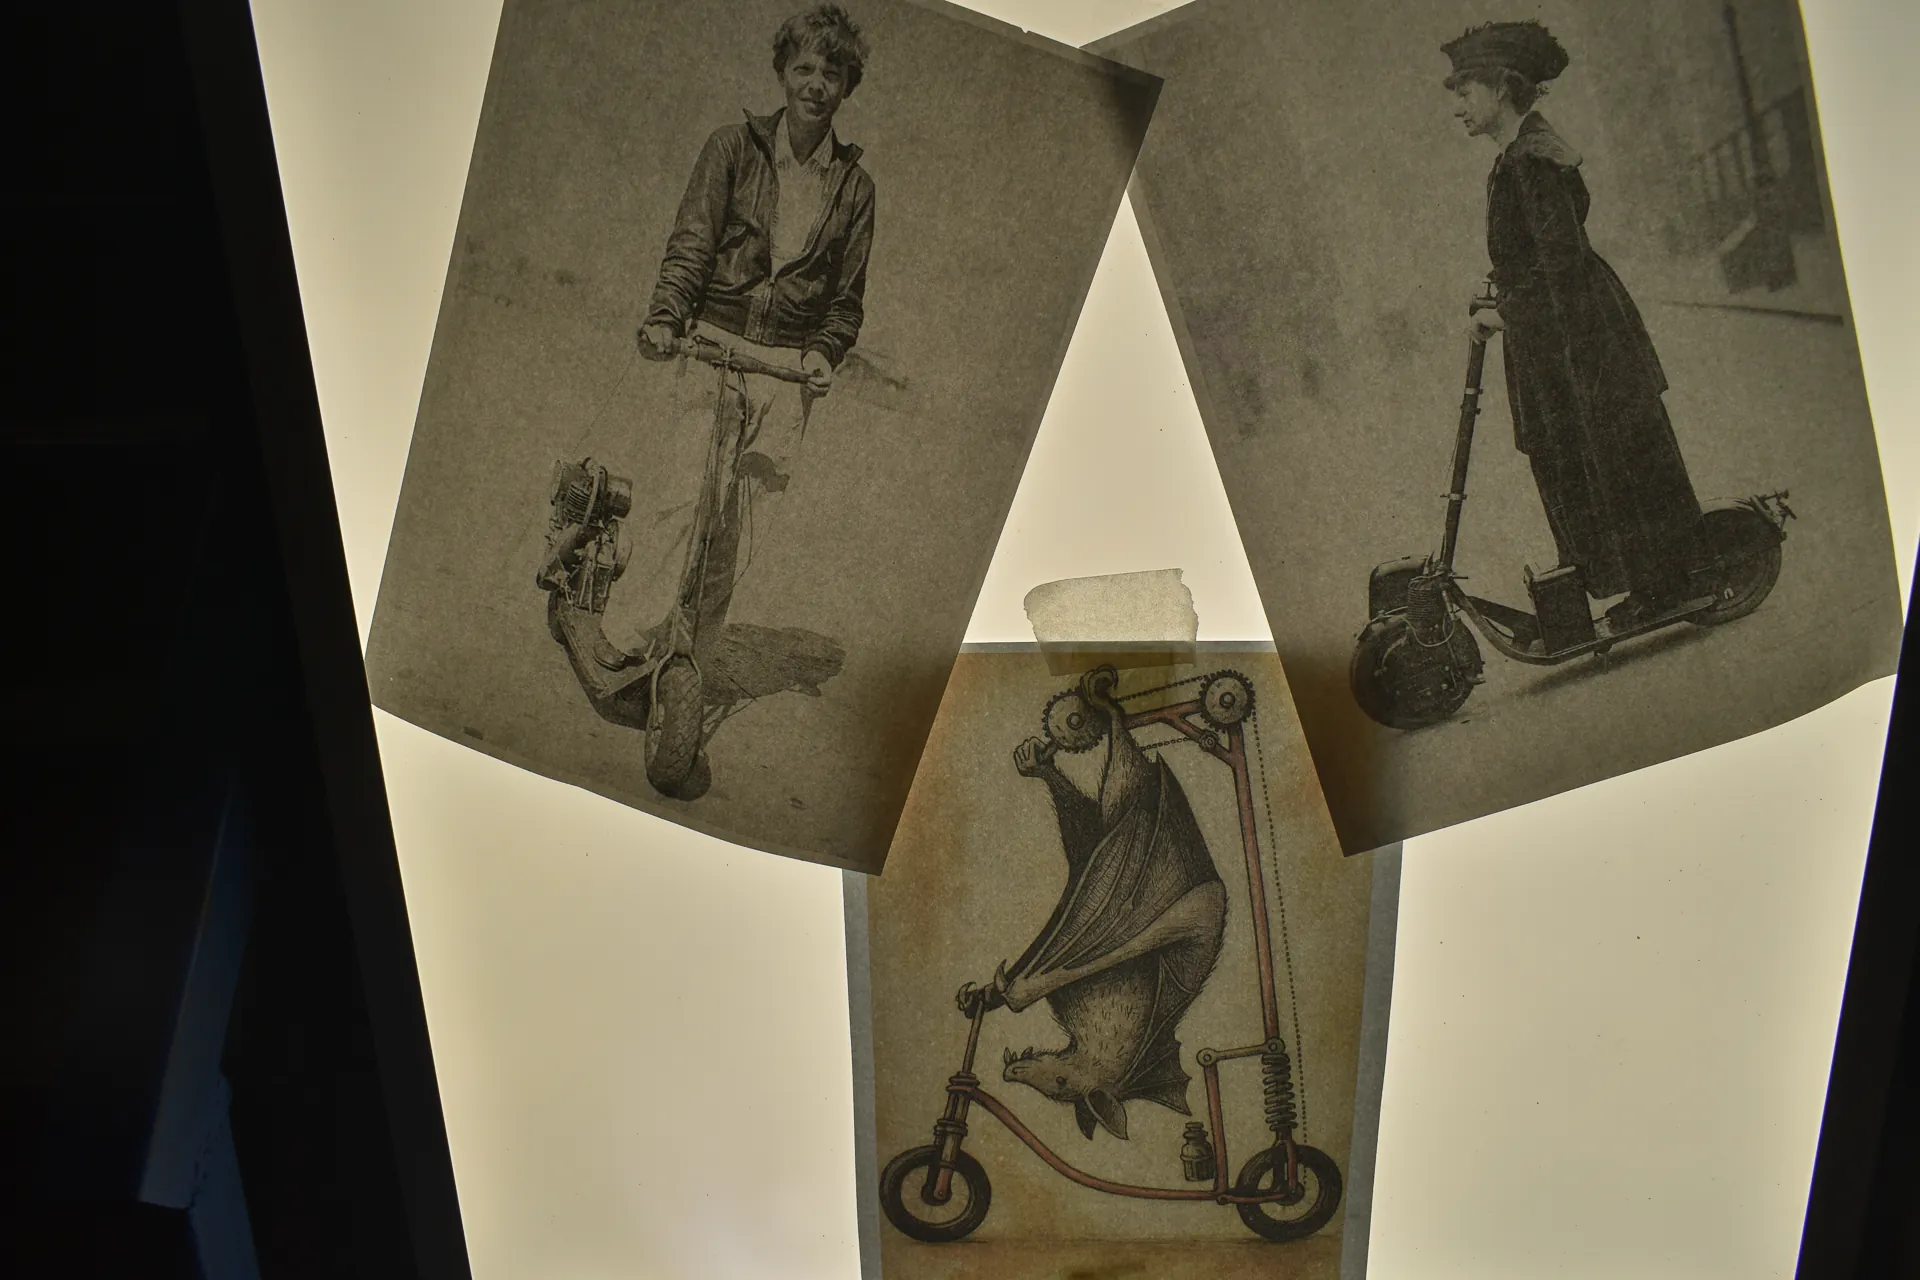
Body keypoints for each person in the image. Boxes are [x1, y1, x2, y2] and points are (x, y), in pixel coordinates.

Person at [593, 4, 875, 670]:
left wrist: (822, 353)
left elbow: (846, 300)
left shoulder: (856, 189)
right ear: (782, 73)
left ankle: (695, 654)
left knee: (735, 528)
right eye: (803, 69)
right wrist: (666, 316)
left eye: (831, 74)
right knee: (682, 501)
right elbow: (692, 243)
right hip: (712, 344)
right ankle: (631, 634)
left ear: (846, 86)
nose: (815, 85)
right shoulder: (731, 149)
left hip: (785, 370)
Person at [1444, 21, 1710, 631]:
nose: (1458, 106)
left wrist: (1505, 312)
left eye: (1465, 91)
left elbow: (1561, 259)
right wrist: (1501, 293)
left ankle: (1663, 585)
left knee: (1609, 453)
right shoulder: (1516, 157)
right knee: (1582, 455)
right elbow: (1536, 253)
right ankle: (1650, 581)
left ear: (1502, 88)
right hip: (1561, 334)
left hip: (1581, 337)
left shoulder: (1532, 160)